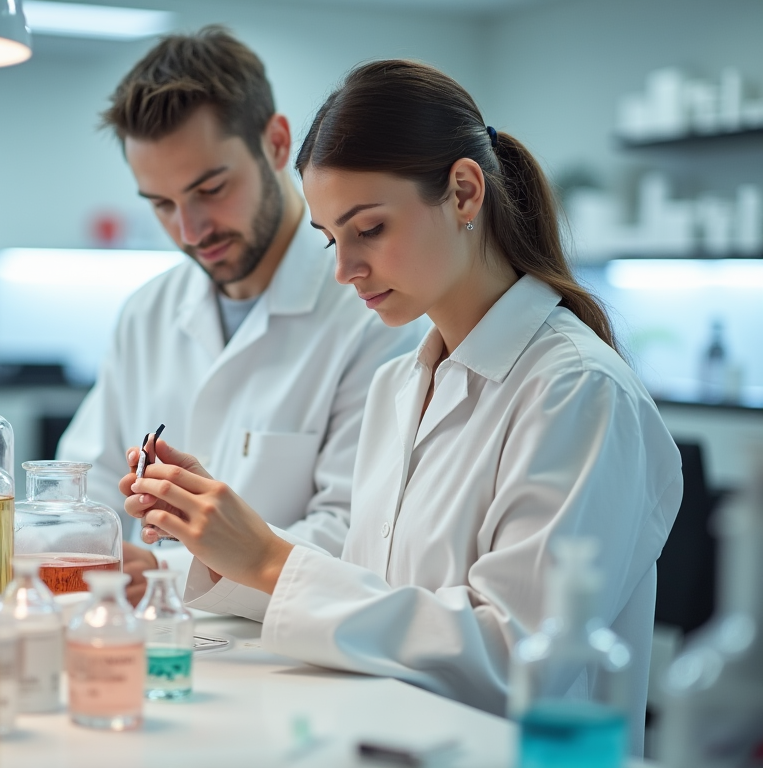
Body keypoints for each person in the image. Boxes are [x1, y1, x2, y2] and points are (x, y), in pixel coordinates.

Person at [121, 60, 682, 754]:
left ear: (464, 193)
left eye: (370, 229)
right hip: (389, 742)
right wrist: (224, 540)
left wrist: (269, 559)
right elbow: (374, 600)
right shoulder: (399, 386)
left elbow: (522, 661)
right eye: (332, 237)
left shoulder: (578, 392)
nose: (344, 268)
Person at [56, 28, 420, 604]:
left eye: (211, 189)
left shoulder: (377, 309)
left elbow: (357, 537)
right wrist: (76, 543)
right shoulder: (147, 313)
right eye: (162, 204)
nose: (190, 230)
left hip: (293, 655)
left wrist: (164, 573)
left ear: (276, 144)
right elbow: (87, 483)